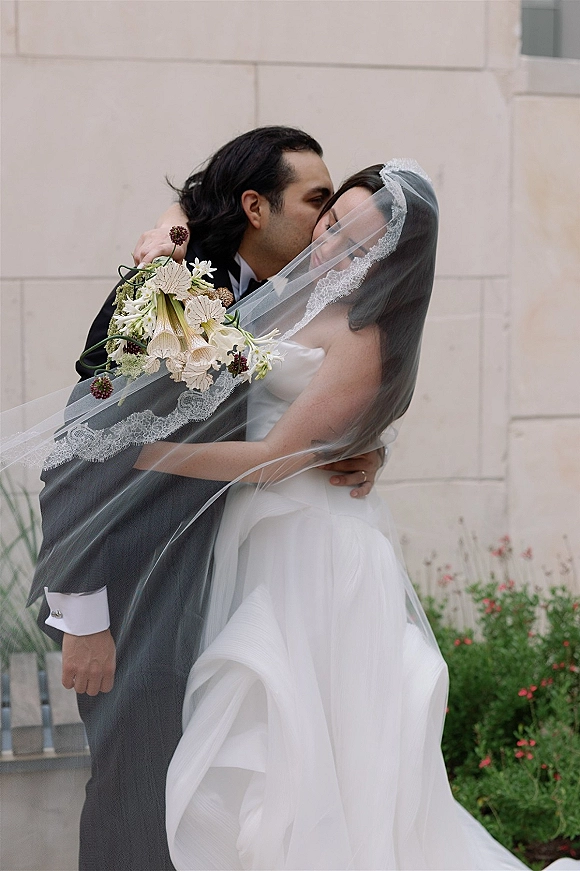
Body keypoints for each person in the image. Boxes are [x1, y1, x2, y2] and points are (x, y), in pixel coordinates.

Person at [128, 161, 578, 871]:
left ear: (391, 260)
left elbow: (277, 455)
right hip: (265, 535)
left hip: (316, 551)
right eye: (333, 221)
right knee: (274, 741)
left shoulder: (366, 335)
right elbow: (226, 355)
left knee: (306, 752)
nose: (333, 244)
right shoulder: (290, 295)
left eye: (359, 243)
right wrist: (163, 253)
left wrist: (146, 458)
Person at [24, 127, 382, 871]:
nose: (326, 221)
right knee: (135, 789)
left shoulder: (290, 298)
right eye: (316, 200)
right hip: (127, 589)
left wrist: (347, 447)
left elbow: (281, 418)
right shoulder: (169, 284)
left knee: (201, 800)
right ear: (256, 205)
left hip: (217, 584)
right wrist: (86, 613)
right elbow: (79, 451)